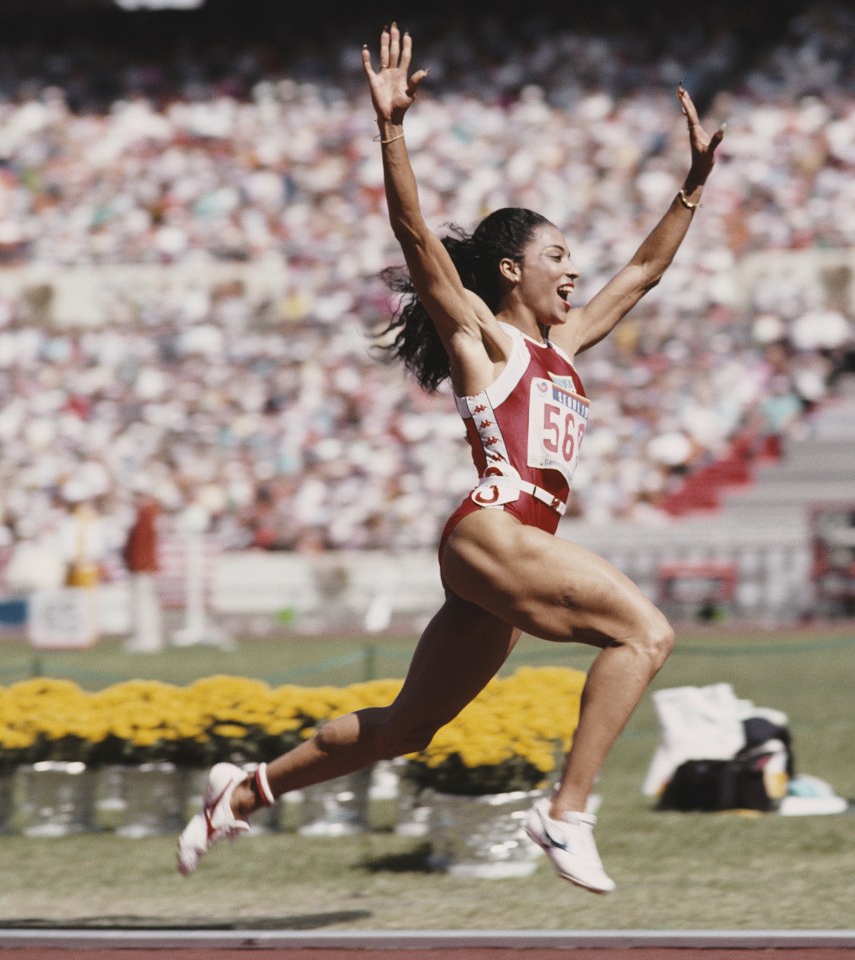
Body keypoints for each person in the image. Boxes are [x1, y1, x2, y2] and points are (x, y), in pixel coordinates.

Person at [176, 23, 724, 894]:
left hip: (508, 549)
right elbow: (414, 233)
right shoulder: (481, 336)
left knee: (408, 727)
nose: (575, 272)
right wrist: (391, 129)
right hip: (496, 524)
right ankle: (567, 812)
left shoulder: (567, 345)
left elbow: (644, 271)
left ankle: (244, 791)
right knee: (645, 633)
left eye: (574, 258)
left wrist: (694, 185)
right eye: (557, 256)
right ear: (510, 270)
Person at [121, 493, 165, 654]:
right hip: (144, 567)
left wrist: (139, 565)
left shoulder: (144, 515)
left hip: (142, 568)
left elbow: (140, 545)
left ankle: (146, 639)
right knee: (146, 604)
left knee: (143, 604)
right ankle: (147, 638)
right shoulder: (148, 515)